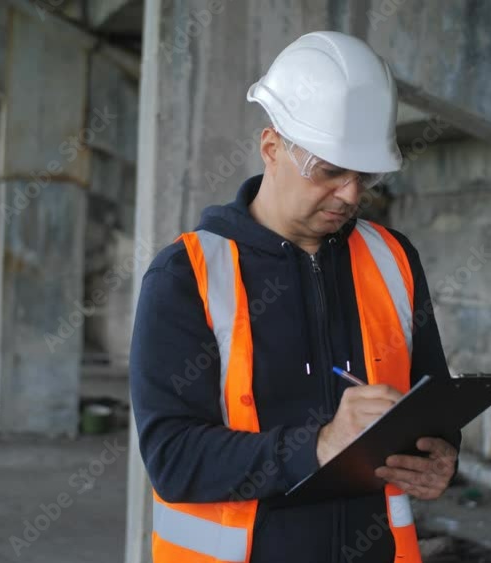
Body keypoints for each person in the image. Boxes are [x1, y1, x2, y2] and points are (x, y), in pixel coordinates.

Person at [130, 30, 459, 563]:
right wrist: (319, 446)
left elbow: (429, 401)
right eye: (329, 171)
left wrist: (441, 456)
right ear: (271, 148)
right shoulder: (185, 275)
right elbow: (173, 458)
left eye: (363, 175)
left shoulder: (393, 259)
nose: (350, 194)